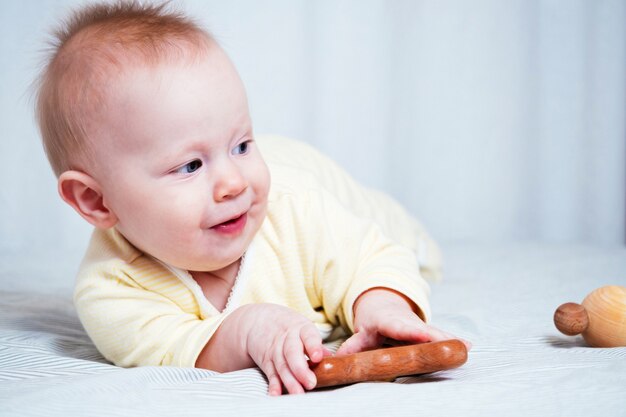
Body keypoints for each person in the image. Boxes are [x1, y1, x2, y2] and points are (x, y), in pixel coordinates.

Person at [35, 1, 467, 395]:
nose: (234, 183)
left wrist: (381, 303)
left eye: (242, 144)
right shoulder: (112, 289)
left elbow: (372, 256)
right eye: (190, 166)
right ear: (96, 202)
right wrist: (250, 330)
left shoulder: (294, 206)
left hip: (318, 178)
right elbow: (178, 349)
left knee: (407, 242)